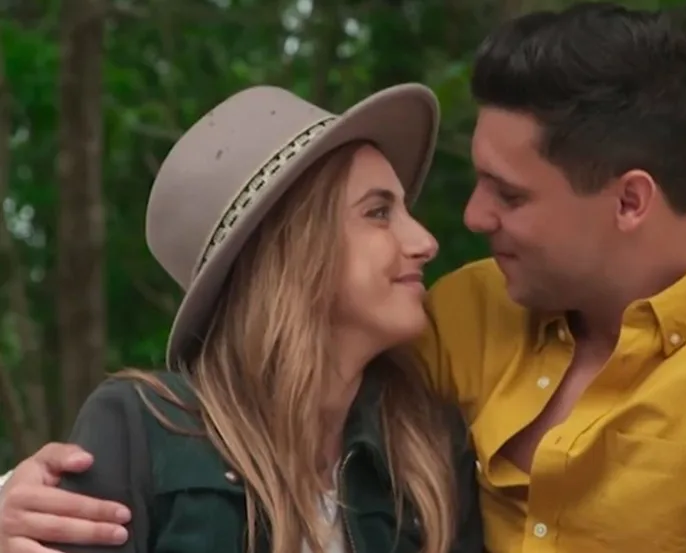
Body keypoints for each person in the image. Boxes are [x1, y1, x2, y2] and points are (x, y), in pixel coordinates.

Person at [0, 3, 686, 553]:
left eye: (510, 194)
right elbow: (271, 384)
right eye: (381, 211)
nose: (459, 225)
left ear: (630, 200)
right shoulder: (457, 320)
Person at [0, 83, 483, 553]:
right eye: (378, 212)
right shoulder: (141, 431)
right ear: (292, 249)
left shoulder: (430, 451)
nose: (425, 242)